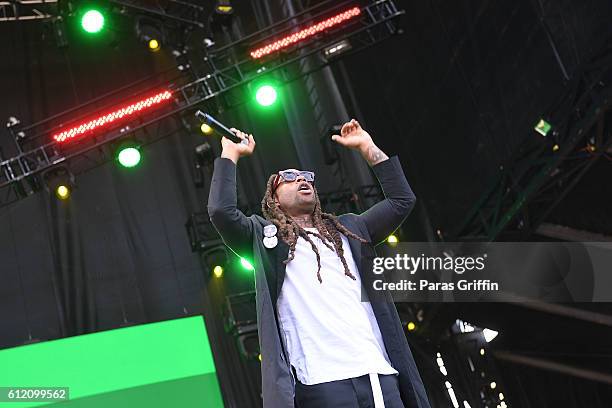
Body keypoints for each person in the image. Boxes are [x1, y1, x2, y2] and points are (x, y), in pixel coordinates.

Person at [208, 119, 431, 408]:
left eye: (306, 176)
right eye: (288, 177)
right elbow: (221, 211)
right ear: (273, 198)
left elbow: (402, 200)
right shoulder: (264, 238)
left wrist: (367, 146)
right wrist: (230, 154)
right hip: (320, 383)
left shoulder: (351, 229)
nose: (302, 179)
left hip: (378, 373)